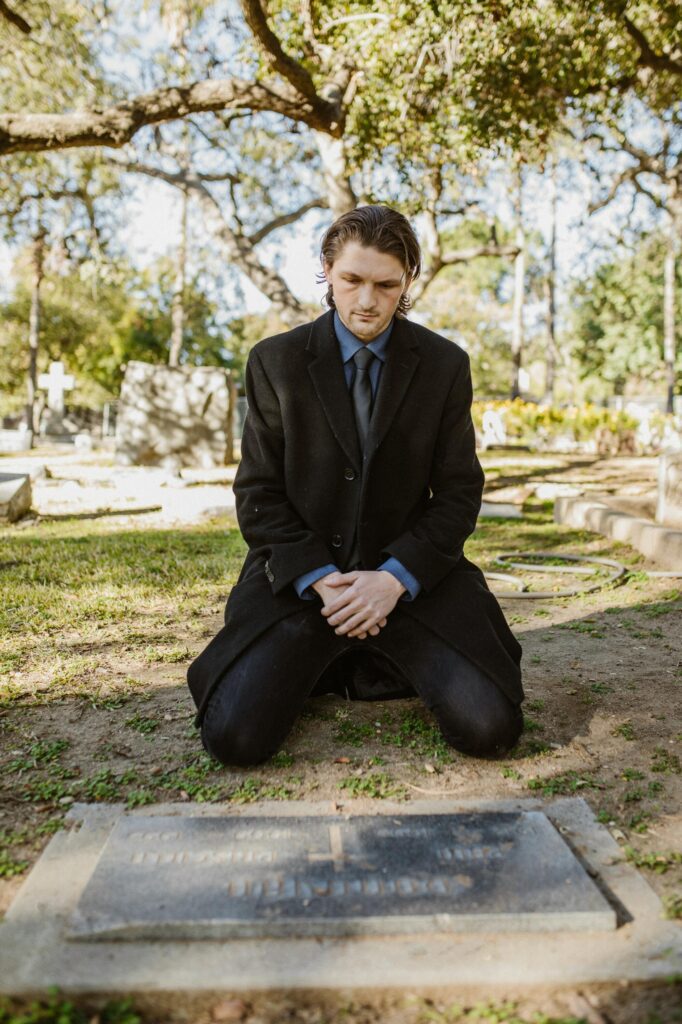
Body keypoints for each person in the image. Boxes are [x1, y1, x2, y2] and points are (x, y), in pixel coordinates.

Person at [187, 204, 523, 765]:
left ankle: (364, 655)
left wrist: (394, 580)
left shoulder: (445, 366)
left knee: (490, 728)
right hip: (303, 583)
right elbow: (258, 494)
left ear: (408, 281)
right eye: (352, 280)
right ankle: (349, 653)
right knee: (234, 739)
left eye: (386, 285)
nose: (367, 301)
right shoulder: (274, 361)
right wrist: (322, 580)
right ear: (327, 270)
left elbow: (460, 494)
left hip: (413, 585)